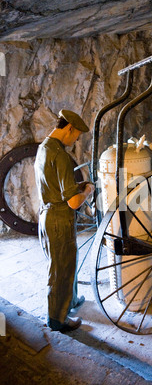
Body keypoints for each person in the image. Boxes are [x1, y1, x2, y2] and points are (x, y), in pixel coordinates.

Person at [34, 109, 95, 332]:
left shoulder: (44, 148)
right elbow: (72, 203)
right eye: (76, 134)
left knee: (67, 263)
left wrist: (76, 188)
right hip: (60, 219)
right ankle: (57, 319)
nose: (76, 140)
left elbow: (54, 185)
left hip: (47, 214)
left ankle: (71, 300)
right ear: (69, 128)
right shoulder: (60, 155)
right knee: (60, 270)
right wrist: (87, 190)